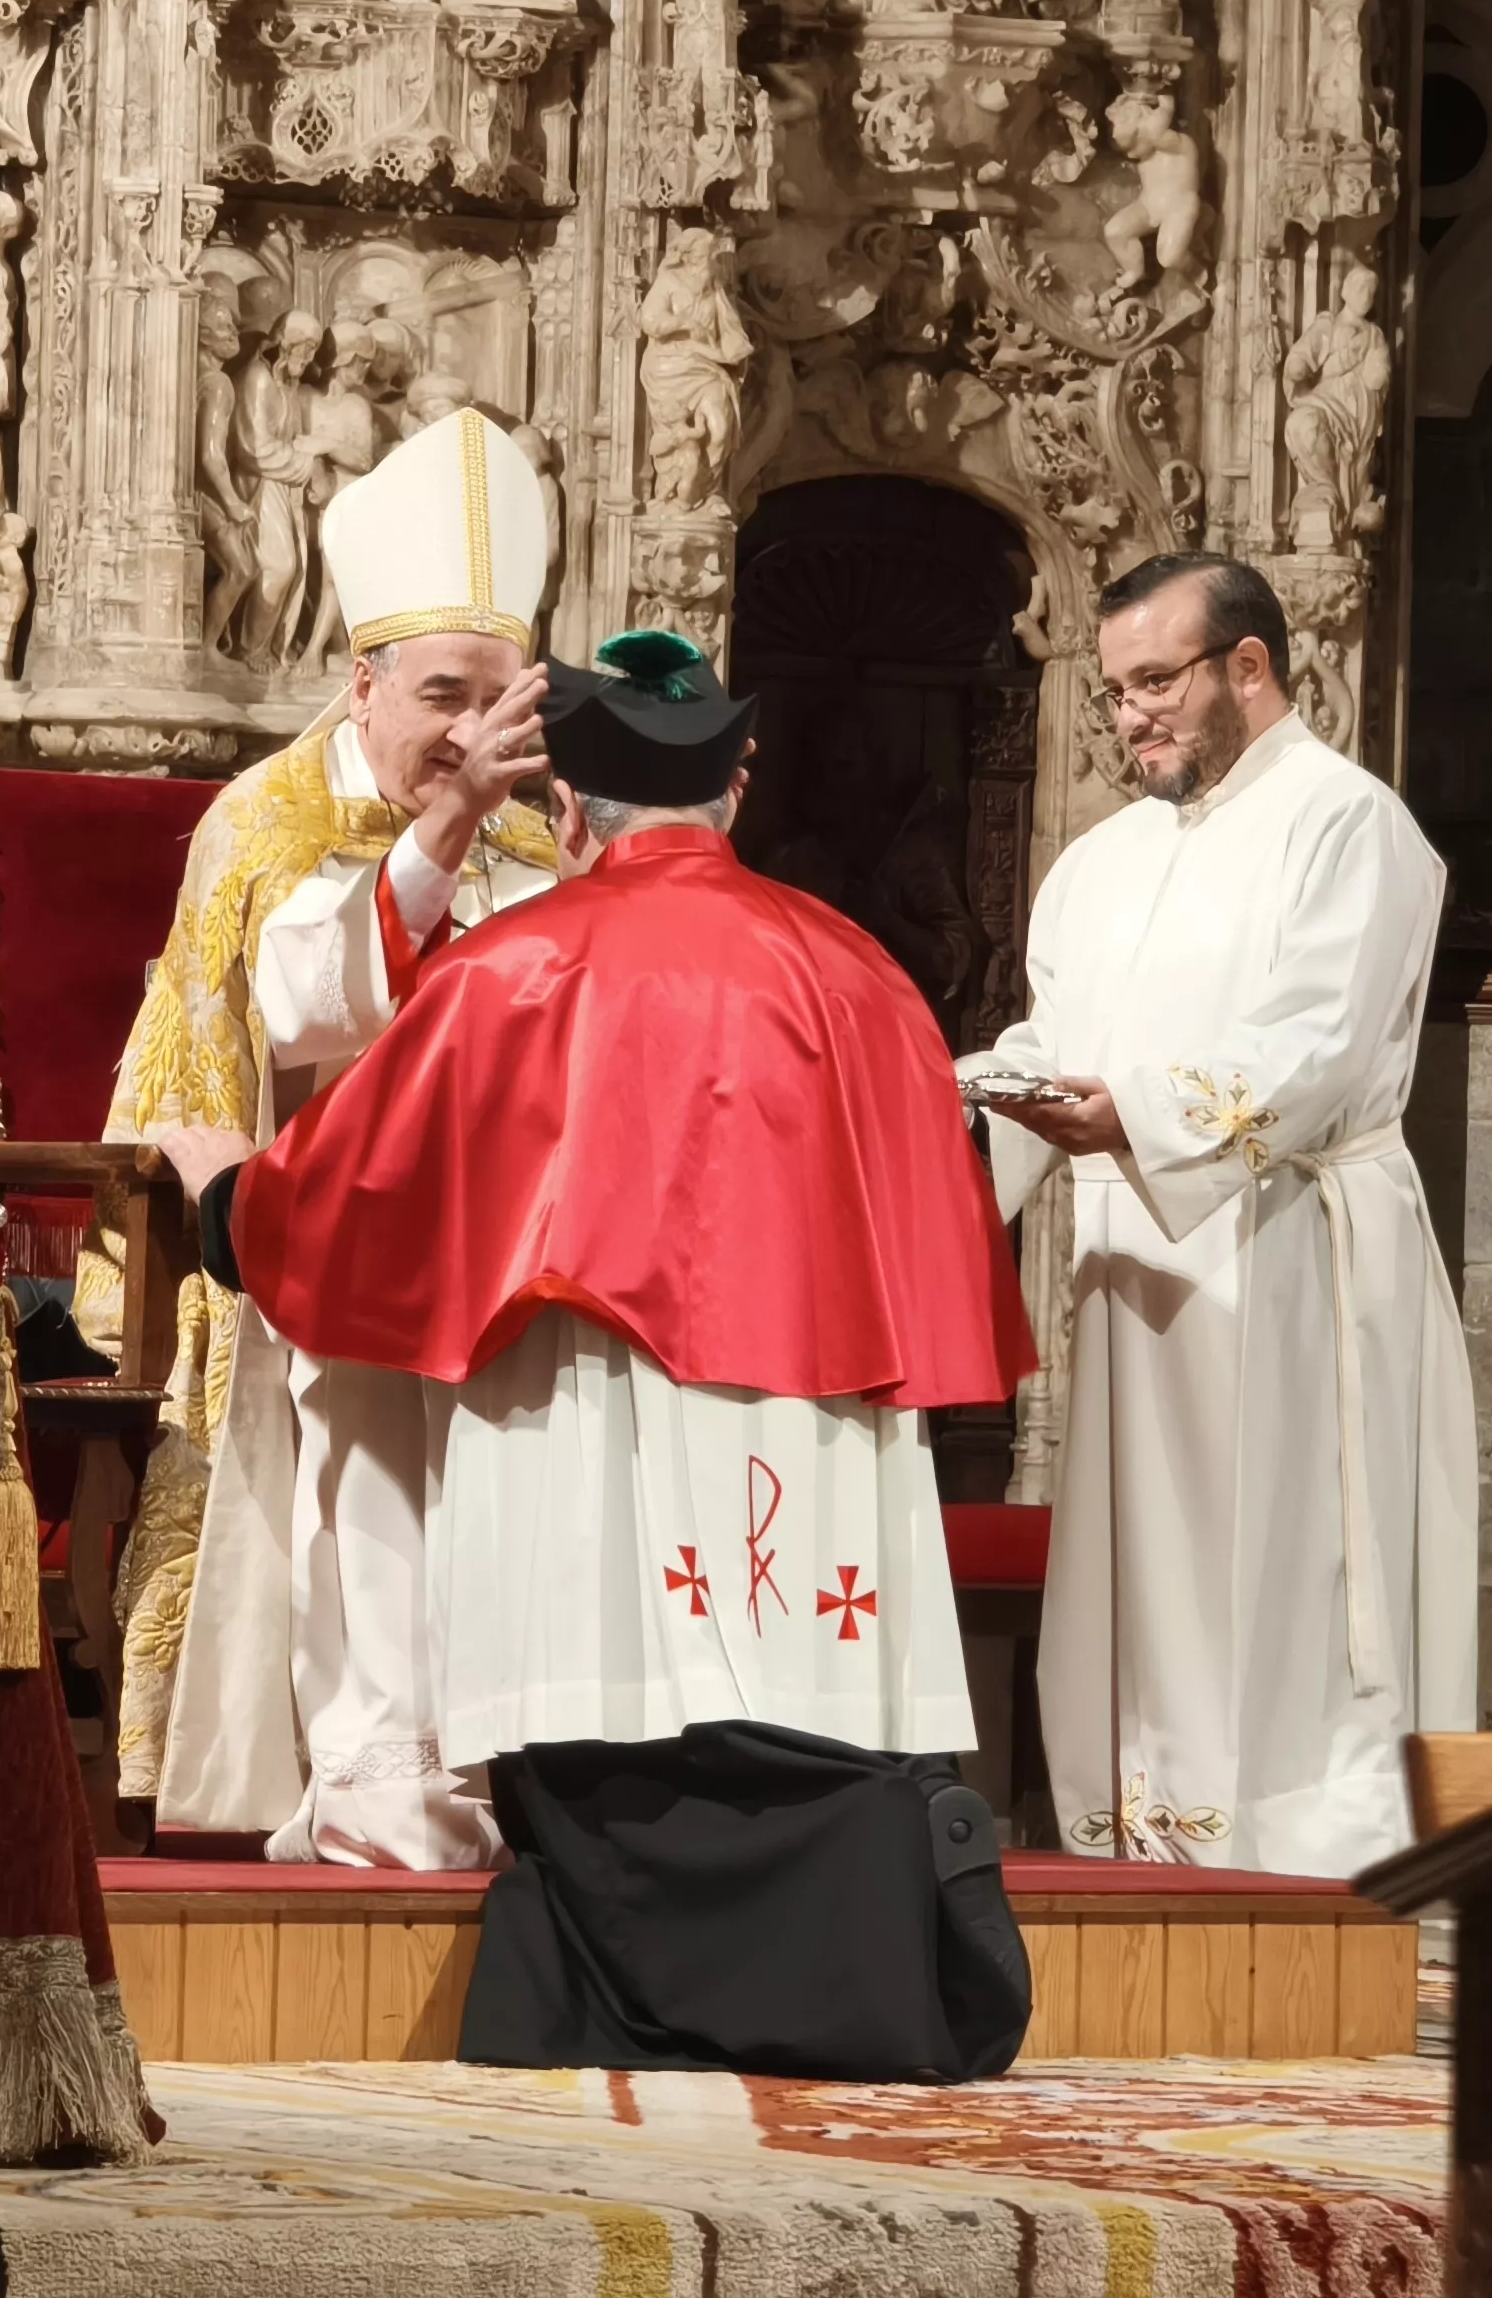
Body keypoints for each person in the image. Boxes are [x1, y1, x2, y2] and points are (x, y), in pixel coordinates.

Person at [151, 631, 1037, 2078]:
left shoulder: (517, 967)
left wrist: (234, 1202)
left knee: (622, 1702)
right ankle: (854, 1990)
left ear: (566, 812)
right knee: (799, 1695)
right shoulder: (864, 973)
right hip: (819, 1427)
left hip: (588, 1416)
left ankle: (616, 1997)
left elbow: (365, 1185)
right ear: (733, 792)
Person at [962, 551, 1479, 1880]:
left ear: (1248, 668)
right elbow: (1055, 1038)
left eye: (1155, 681)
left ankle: (1301, 1860)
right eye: (1116, 687)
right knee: (1139, 1572)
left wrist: (1134, 1116)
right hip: (1133, 1265)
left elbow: (1313, 1047)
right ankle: (1142, 1840)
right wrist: (962, 1153)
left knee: (1286, 1569)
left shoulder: (1343, 823)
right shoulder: (1102, 862)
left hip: (1291, 1254)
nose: (1129, 713)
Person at [99, 405, 563, 1867]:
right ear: (360, 684)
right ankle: (368, 1773)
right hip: (323, 1239)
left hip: (507, 1243)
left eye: (499, 704)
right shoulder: (271, 817)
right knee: (360, 1442)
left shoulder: (537, 837)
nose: (469, 735)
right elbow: (289, 1013)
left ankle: (493, 1763)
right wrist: (441, 838)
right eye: (439, 695)